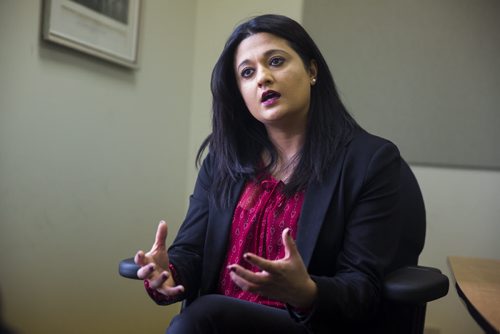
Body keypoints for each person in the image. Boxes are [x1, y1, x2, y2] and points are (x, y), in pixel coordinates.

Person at [134, 14, 409, 333]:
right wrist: (168, 273)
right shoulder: (224, 160)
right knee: (204, 314)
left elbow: (362, 289)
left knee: (204, 314)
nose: (262, 78)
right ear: (240, 93)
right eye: (247, 73)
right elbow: (192, 251)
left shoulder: (371, 160)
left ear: (312, 70)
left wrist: (306, 291)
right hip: (216, 321)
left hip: (306, 324)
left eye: (276, 61)